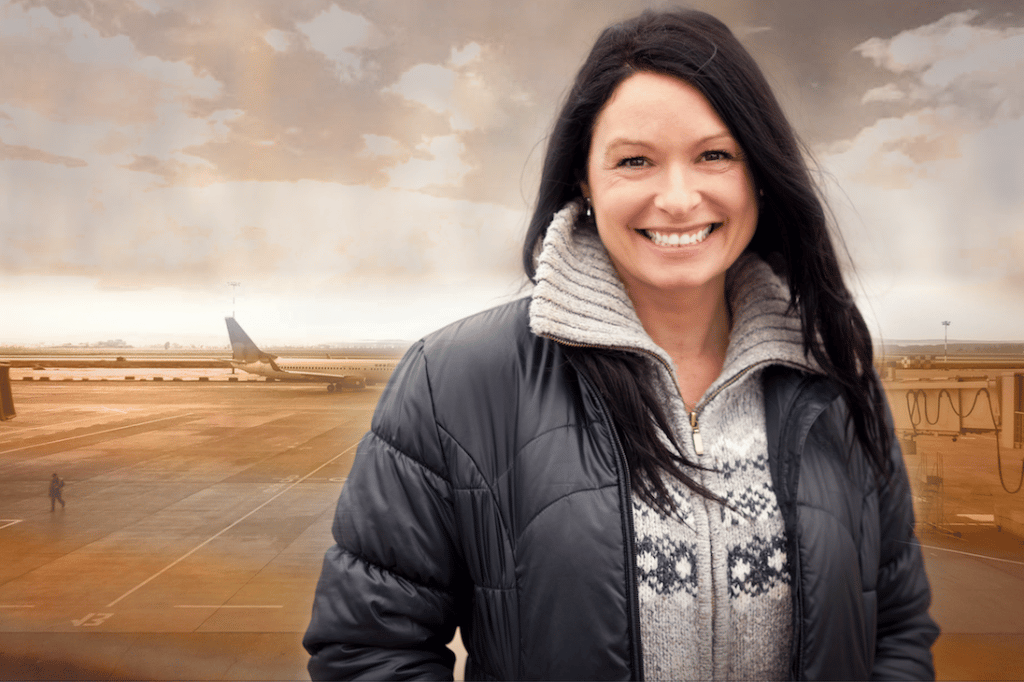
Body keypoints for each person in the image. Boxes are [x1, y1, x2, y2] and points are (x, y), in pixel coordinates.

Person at [304, 8, 939, 680]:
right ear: (584, 179)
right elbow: (368, 651)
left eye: (714, 155)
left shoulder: (835, 377)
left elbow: (894, 628)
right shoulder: (454, 382)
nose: (678, 198)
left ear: (758, 170)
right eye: (635, 161)